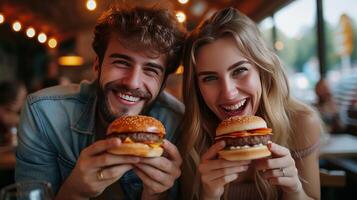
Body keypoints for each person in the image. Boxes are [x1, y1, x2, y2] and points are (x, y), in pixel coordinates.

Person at [15, 5, 185, 200]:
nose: (132, 82)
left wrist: (158, 195)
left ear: (162, 83)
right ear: (97, 65)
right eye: (121, 62)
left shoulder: (177, 121)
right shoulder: (43, 113)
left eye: (151, 70)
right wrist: (74, 191)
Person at [179, 7, 321, 200]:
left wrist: (295, 191)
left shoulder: (302, 122)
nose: (229, 93)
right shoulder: (191, 135)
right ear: (197, 87)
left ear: (262, 70)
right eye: (210, 78)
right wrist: (208, 195)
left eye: (239, 71)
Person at [0, 80, 27, 145]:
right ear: (13, 102)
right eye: (23, 98)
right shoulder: (5, 115)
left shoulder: (14, 115)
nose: (25, 101)